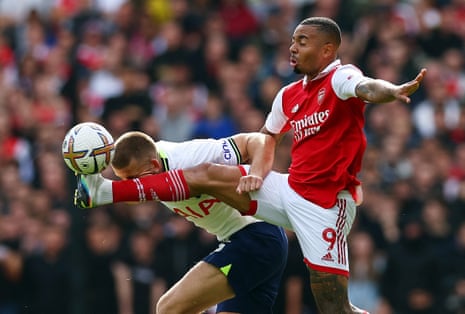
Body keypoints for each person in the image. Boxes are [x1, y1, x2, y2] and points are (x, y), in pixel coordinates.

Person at [76, 17, 426, 314]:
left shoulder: (339, 78)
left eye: (302, 42)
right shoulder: (288, 95)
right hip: (285, 194)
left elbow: (365, 87)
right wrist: (261, 173)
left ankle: (105, 193)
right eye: (292, 41)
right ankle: (104, 191)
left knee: (333, 308)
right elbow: (266, 136)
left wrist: (390, 90)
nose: (292, 47)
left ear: (327, 51)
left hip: (316, 208)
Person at [77, 131, 288, 314]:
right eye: (123, 181)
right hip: (254, 243)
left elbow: (257, 140)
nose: (131, 187)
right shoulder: (149, 171)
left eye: (133, 180)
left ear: (154, 165)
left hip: (255, 239)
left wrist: (257, 173)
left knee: (169, 308)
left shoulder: (189, 156)